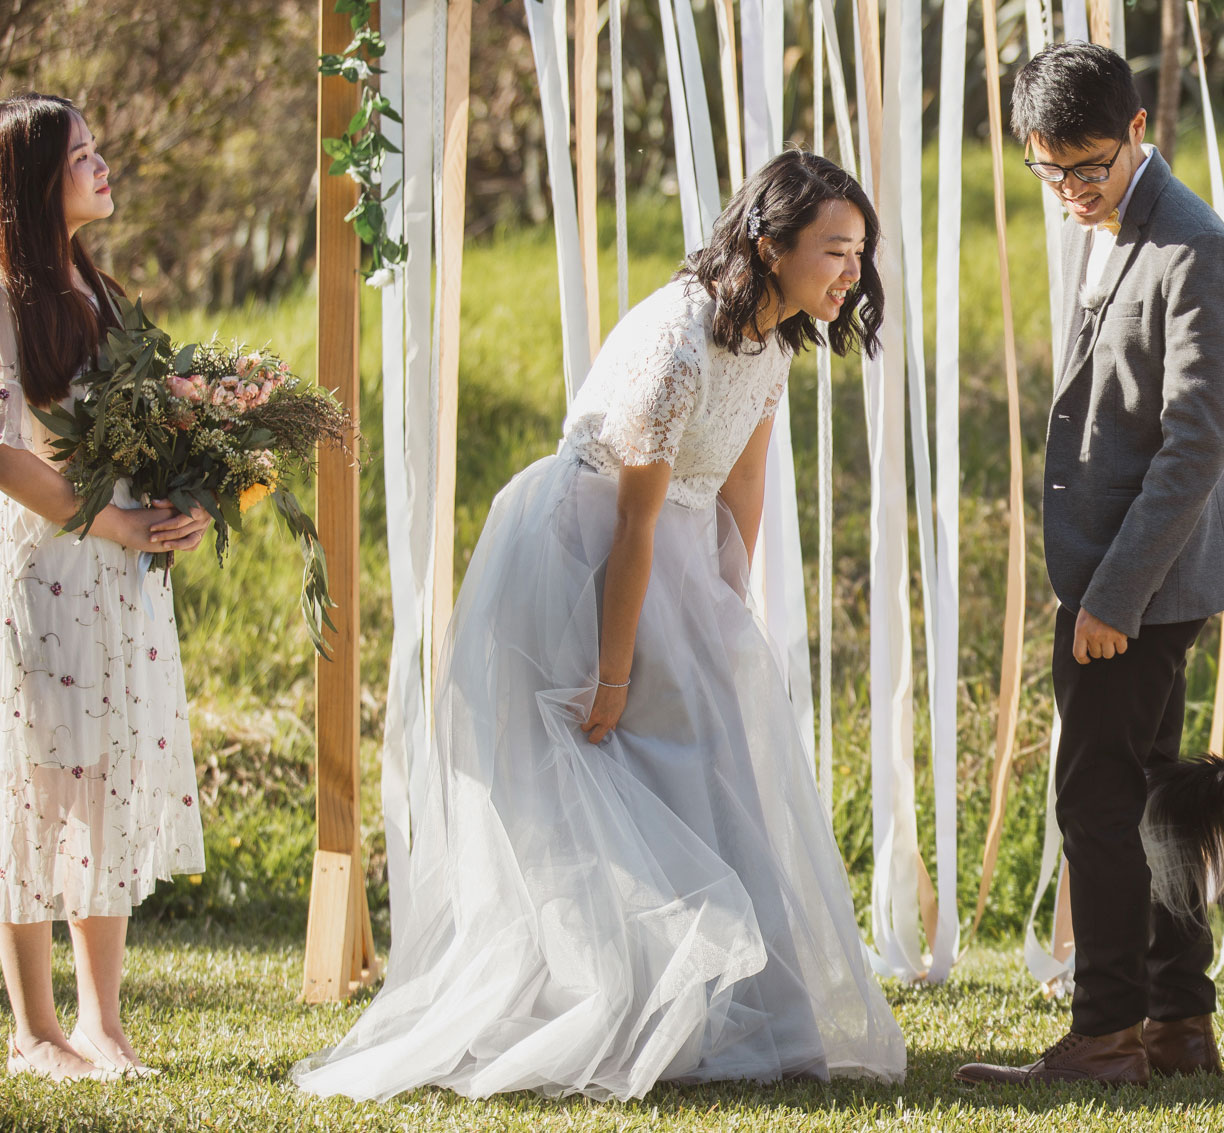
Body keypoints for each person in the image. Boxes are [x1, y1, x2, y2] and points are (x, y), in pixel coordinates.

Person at [294, 149, 905, 1101]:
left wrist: (728, 604)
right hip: (587, 552)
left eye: (859, 251)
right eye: (835, 249)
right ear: (769, 243)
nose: (852, 271)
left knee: (721, 760)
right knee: (610, 752)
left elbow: (741, 479)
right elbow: (632, 518)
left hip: (679, 548)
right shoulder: (678, 337)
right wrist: (614, 671)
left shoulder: (772, 336)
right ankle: (613, 1000)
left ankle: (743, 1019)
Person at [955, 43, 1224, 1088]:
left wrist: (1113, 597)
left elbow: (1193, 447)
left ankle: (1102, 1035)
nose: (1067, 191)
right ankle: (1177, 1024)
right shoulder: (1113, 224)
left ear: (1139, 130)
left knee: (1095, 796)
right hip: (1118, 568)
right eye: (1048, 171)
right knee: (1153, 799)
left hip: (1145, 579)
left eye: (1085, 168)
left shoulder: (1195, 250)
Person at [0, 94, 210, 1081]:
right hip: (49, 568)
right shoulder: (8, 294)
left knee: (107, 784)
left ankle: (103, 1023)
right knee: (41, 784)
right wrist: (111, 518)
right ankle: (35, 1028)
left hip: (119, 571)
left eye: (96, 149)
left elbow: (143, 425)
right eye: (82, 155)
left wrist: (187, 497)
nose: (101, 165)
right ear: (39, 184)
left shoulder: (102, 288)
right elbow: (5, 455)